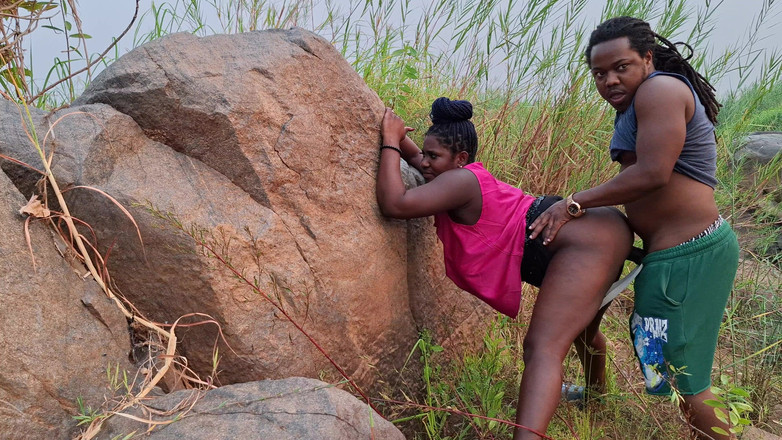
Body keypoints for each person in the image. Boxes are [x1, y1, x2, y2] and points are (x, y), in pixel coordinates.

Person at [528, 16, 740, 440]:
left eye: (621, 66)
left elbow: (654, 174)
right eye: (599, 73)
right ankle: (594, 395)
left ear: (647, 57)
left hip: (690, 254)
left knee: (685, 380)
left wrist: (575, 202)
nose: (609, 80)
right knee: (649, 350)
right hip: (672, 254)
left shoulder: (660, 89)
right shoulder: (639, 101)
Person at [377, 97, 634, 440]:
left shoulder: (458, 182)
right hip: (598, 230)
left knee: (541, 348)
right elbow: (419, 159)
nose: (423, 162)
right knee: (582, 329)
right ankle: (596, 398)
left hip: (583, 242)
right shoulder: (456, 174)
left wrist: (389, 142)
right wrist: (401, 138)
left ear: (461, 159)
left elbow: (395, 204)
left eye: (433, 156)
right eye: (424, 153)